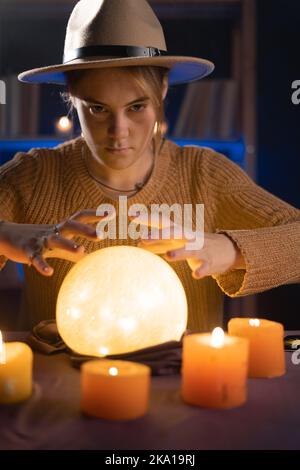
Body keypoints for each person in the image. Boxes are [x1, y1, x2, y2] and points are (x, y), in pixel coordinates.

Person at [0, 0, 299, 332]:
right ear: (72, 95)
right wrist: (5, 234)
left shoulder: (204, 174)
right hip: (61, 383)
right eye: (98, 109)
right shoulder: (32, 175)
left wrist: (227, 249)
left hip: (185, 380)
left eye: (137, 106)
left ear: (163, 91)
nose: (119, 130)